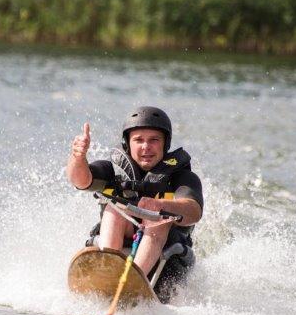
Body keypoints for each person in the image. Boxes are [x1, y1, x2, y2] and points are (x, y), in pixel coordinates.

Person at [66, 106, 203, 302]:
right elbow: (82, 181)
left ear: (165, 144)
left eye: (154, 140)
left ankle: (132, 280)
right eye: (139, 140)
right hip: (118, 244)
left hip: (168, 261)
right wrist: (78, 157)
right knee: (115, 208)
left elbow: (193, 210)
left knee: (159, 220)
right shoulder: (112, 170)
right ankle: (108, 270)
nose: (146, 147)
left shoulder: (183, 177)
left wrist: (159, 206)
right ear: (127, 144)